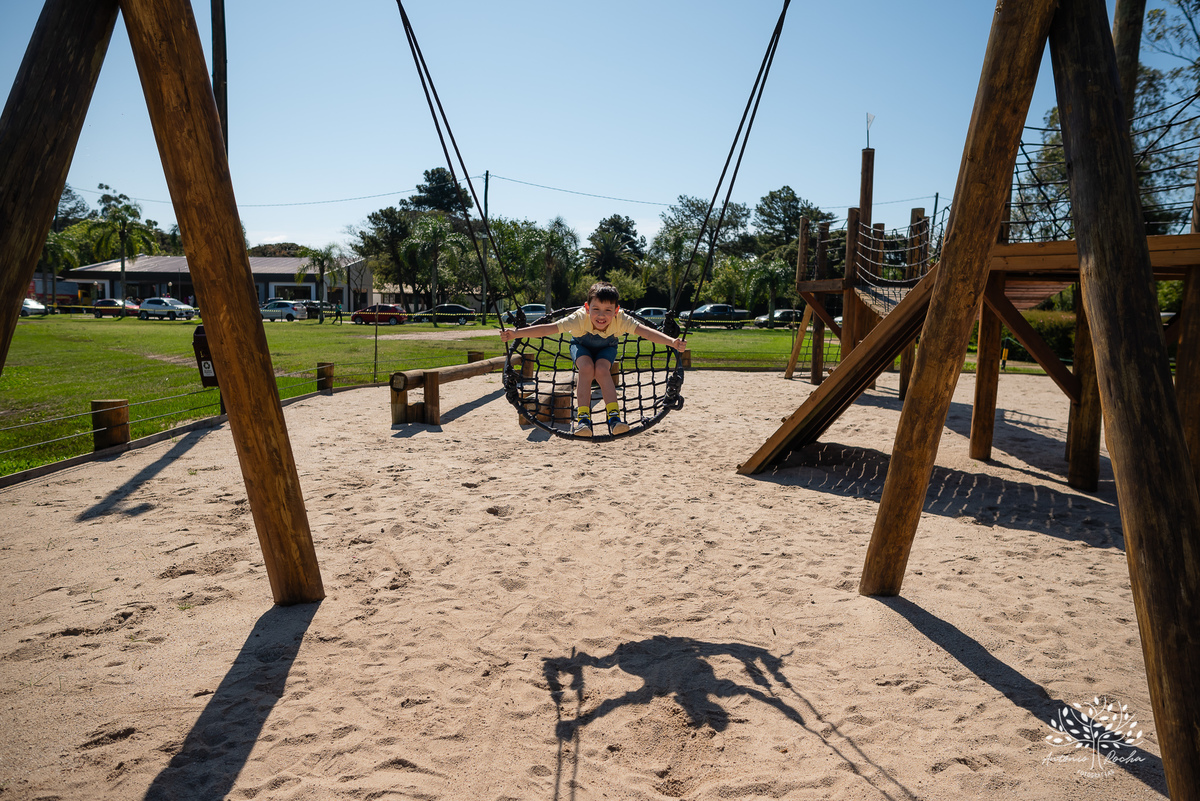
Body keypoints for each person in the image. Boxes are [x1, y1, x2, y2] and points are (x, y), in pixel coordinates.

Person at [498, 281, 685, 437]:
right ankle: (583, 419)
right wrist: (516, 333)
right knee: (586, 368)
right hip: (581, 345)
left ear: (616, 310)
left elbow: (647, 332)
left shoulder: (622, 319)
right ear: (587, 308)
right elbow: (548, 329)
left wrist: (671, 342)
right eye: (596, 309)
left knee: (602, 370)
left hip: (607, 348)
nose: (601, 315)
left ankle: (614, 418)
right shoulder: (579, 318)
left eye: (608, 310)